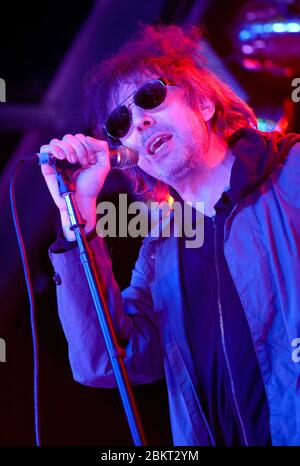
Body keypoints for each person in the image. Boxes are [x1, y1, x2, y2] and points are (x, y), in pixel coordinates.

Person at [40, 25, 300, 446]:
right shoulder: (161, 253)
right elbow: (105, 362)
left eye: (150, 96)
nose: (139, 121)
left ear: (203, 101)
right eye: (120, 123)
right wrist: (79, 219)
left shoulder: (292, 173)